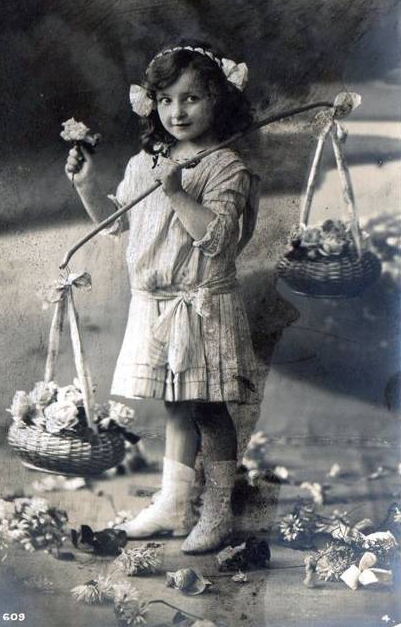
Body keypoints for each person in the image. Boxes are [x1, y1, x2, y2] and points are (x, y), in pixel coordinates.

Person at [65, 43, 261, 553]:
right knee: (176, 405)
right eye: (167, 99)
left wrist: (176, 192)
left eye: (192, 98)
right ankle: (175, 506)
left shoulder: (227, 167)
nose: (178, 111)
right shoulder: (144, 162)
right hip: (153, 303)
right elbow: (119, 224)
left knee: (210, 410)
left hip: (202, 304)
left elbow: (216, 240)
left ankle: (216, 513)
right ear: (152, 103)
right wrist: (88, 187)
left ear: (218, 100)